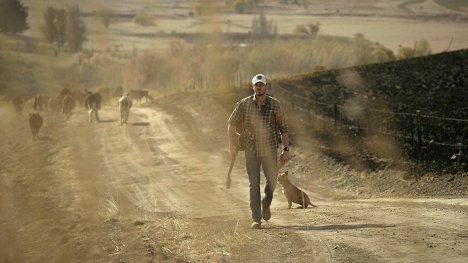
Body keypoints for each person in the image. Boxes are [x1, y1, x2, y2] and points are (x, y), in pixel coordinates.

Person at [227, 73, 290, 229]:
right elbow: (231, 123)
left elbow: (284, 129)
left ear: (266, 87)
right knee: (253, 184)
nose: (259, 87)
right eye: (256, 85)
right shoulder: (244, 104)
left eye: (262, 84)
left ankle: (265, 203)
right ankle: (256, 218)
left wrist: (286, 149)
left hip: (269, 149)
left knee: (272, 179)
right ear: (253, 87)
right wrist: (232, 144)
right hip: (251, 150)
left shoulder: (275, 105)